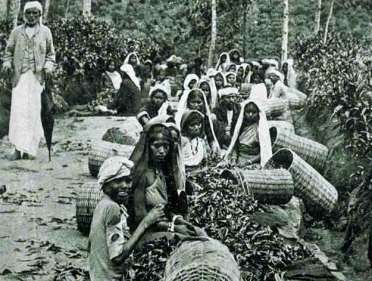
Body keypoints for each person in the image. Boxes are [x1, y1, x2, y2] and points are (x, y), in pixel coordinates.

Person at [89, 156, 166, 281]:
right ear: (105, 184)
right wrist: (146, 222)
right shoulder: (112, 208)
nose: (125, 186)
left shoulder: (102, 204)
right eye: (118, 181)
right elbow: (118, 257)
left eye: (128, 181)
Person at [129, 121, 204, 242]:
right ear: (148, 146)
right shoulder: (142, 175)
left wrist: (179, 221)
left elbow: (167, 208)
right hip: (145, 232)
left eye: (166, 146)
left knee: (199, 232)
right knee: (187, 239)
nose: (162, 151)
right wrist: (173, 228)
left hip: (164, 226)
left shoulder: (164, 171)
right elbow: (140, 218)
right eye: (157, 146)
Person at [2, 1, 55, 160]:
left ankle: (30, 150)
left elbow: (51, 55)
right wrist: (6, 62)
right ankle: (18, 149)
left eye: (35, 13)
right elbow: (8, 52)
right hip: (20, 78)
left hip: (36, 79)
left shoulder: (45, 32)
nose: (31, 16)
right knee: (19, 113)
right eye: (28, 13)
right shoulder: (16, 32)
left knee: (33, 113)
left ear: (39, 15)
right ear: (23, 15)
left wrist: (48, 66)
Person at [224, 100, 272, 167]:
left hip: (254, 162)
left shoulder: (261, 130)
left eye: (254, 112)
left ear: (258, 113)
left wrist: (249, 162)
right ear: (244, 113)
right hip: (240, 159)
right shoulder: (240, 127)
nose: (250, 115)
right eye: (248, 112)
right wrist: (234, 159)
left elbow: (264, 152)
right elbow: (236, 145)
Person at [175, 89, 220, 154]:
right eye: (193, 102)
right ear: (188, 102)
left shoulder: (205, 117)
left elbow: (209, 134)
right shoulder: (182, 116)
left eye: (199, 102)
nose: (196, 105)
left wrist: (213, 145)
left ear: (203, 103)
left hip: (201, 145)